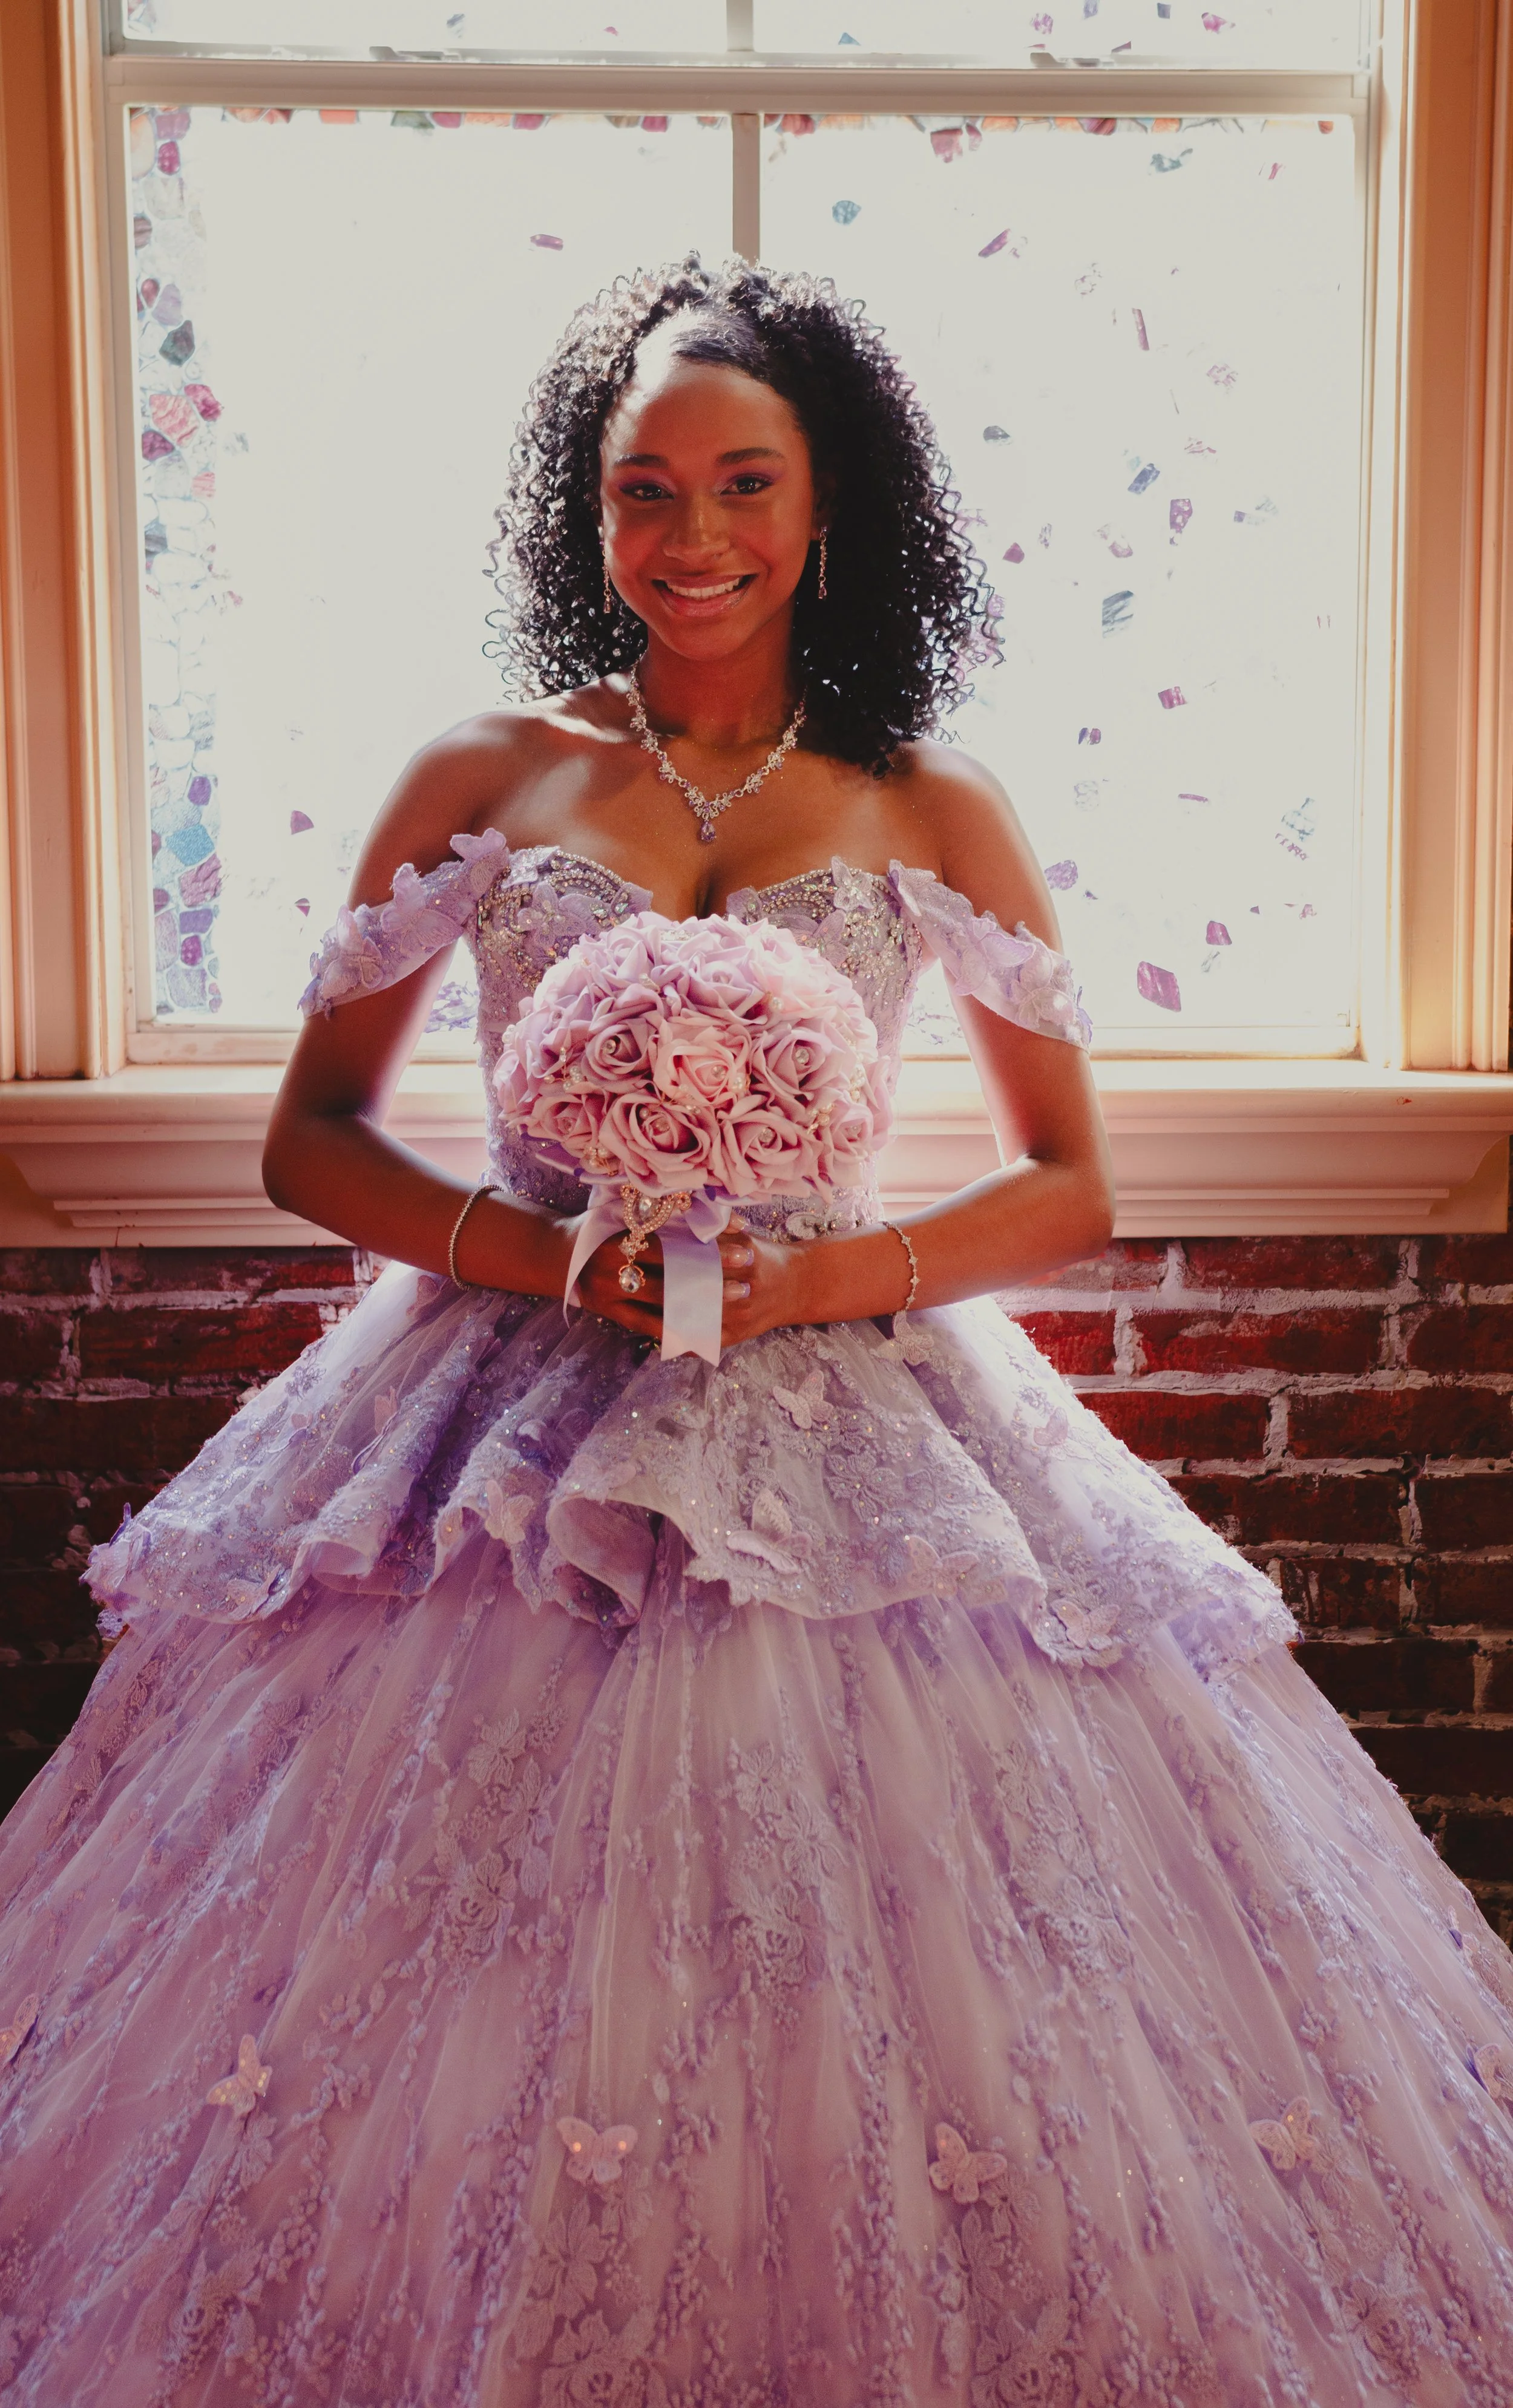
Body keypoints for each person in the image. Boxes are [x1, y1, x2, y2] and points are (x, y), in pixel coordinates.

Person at [0, 258, 1509, 2407]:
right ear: (587, 507)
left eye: (742, 484)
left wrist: (822, 1272)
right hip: (503, 1400)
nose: (689, 535)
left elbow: (1065, 1182)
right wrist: (543, 1261)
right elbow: (309, 1139)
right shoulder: (486, 773)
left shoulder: (922, 801)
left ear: (825, 505)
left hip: (841, 1386)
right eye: (643, 487)